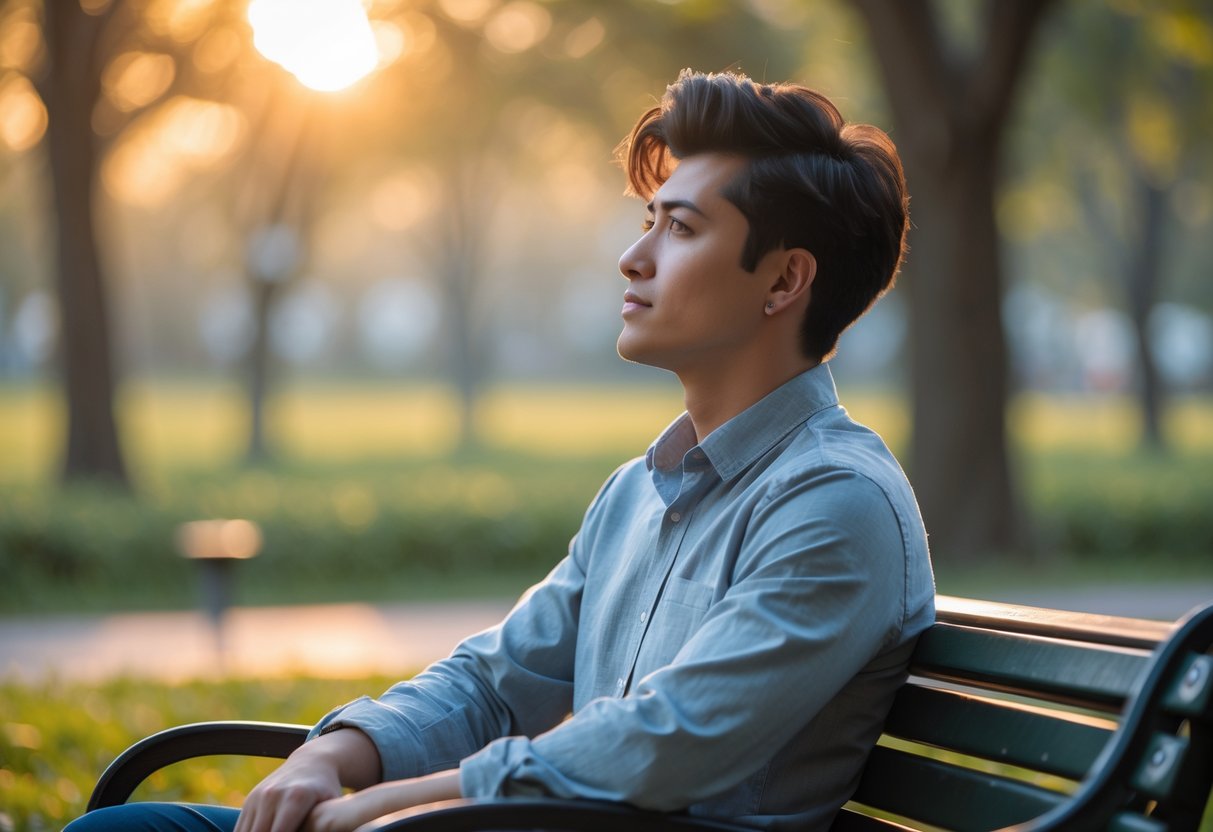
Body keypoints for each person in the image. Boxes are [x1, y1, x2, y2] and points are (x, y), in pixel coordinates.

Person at [69, 68, 934, 832]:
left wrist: (394, 804)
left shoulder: (835, 503)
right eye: (646, 222)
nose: (632, 259)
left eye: (678, 229)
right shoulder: (639, 491)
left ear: (784, 280)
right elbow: (496, 680)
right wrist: (342, 756)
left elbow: (664, 743)